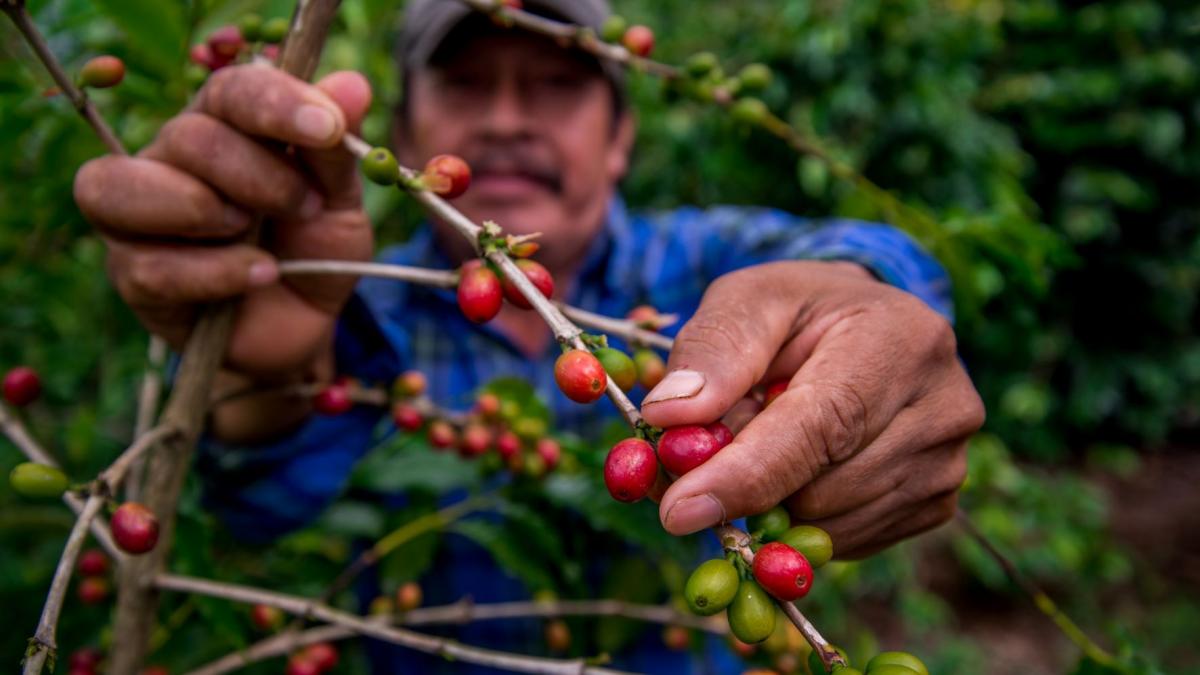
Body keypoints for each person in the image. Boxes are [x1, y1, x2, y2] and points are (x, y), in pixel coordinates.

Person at [73, 0, 984, 670]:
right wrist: (262, 369)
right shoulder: (359, 315)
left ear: (622, 139)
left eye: (555, 86)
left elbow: (862, 260)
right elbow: (250, 518)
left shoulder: (700, 267)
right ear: (401, 134)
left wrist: (869, 302)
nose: (507, 119)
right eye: (466, 84)